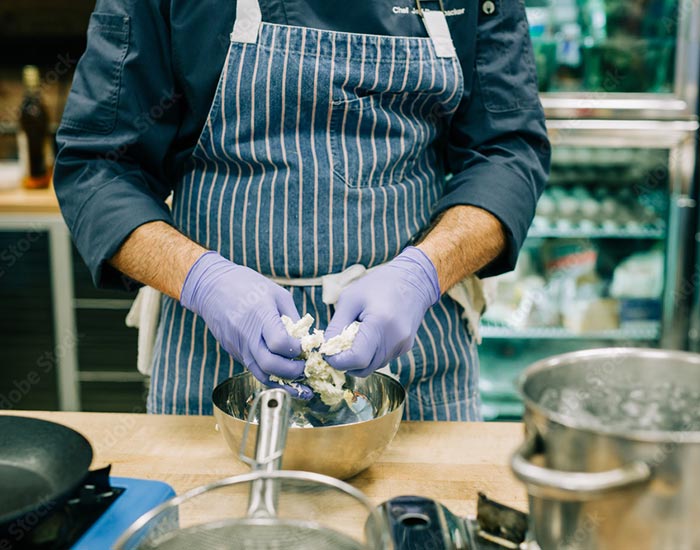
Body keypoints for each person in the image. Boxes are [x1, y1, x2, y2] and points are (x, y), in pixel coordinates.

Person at [55, 0, 550, 421]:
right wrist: (202, 280)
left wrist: (422, 273)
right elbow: (98, 166)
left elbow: (508, 152)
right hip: (213, 366)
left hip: (416, 368)